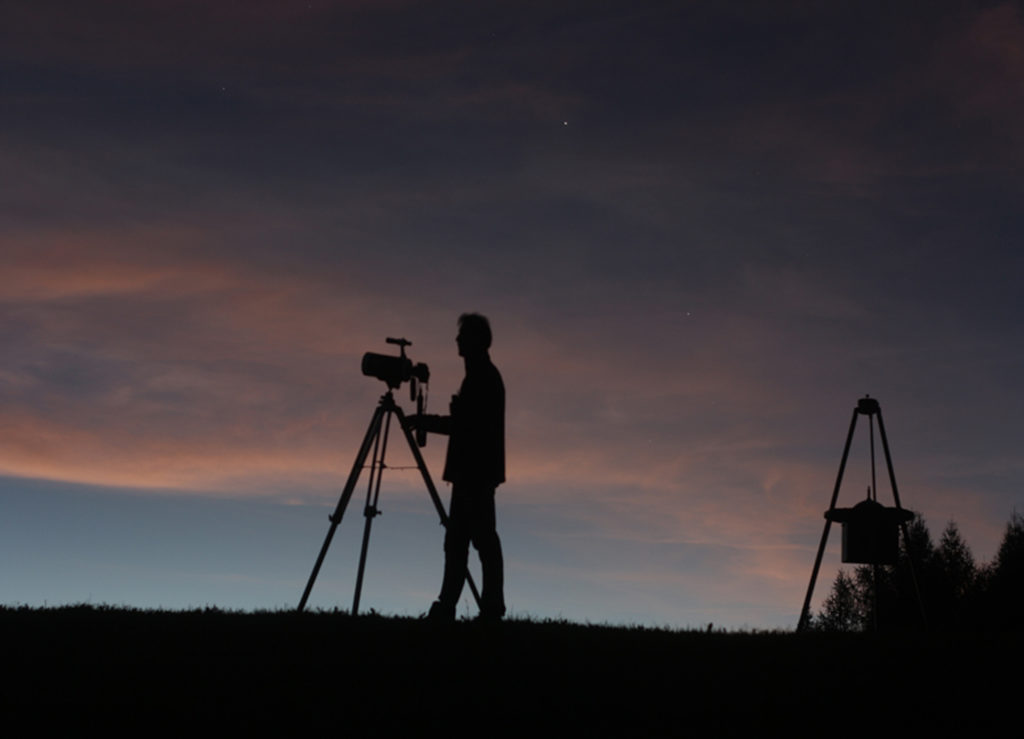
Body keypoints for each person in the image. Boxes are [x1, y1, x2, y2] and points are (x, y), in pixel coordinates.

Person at [409, 313, 506, 622]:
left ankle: (482, 607)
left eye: (463, 336)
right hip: (473, 472)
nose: (458, 341)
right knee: (462, 542)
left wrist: (425, 422)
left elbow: (465, 426)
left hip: (474, 473)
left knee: (475, 541)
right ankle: (456, 605)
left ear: (477, 340)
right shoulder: (479, 375)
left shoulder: (483, 378)